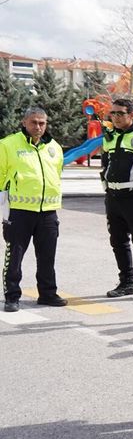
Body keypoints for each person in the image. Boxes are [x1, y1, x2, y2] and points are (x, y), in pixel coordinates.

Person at [1, 106, 65, 312]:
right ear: (24, 122)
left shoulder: (54, 147)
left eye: (42, 123)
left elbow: (57, 174)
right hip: (19, 211)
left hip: (48, 211)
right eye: (34, 122)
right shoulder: (7, 145)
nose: (38, 127)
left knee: (47, 256)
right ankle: (12, 296)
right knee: (15, 256)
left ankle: (47, 293)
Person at [100, 97, 133, 302]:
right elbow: (105, 163)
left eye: (120, 113)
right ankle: (127, 282)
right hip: (114, 197)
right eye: (112, 113)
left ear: (132, 115)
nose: (115, 117)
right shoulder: (108, 136)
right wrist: (105, 183)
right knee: (118, 241)